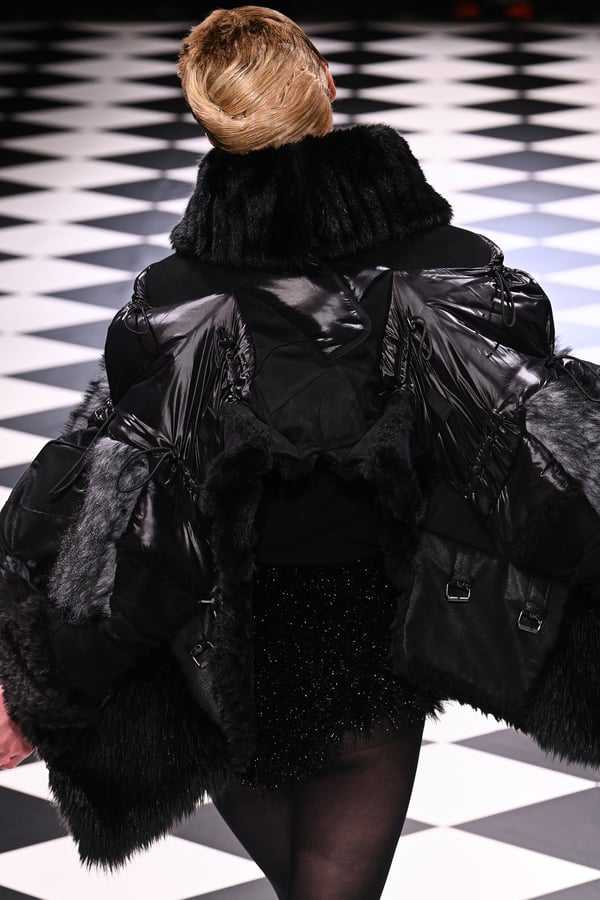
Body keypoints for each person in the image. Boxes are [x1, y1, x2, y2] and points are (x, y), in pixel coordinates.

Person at [1, 6, 600, 898]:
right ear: (326, 86)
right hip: (372, 643)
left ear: (213, 122)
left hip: (223, 649)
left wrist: (36, 679)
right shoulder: (450, 271)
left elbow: (116, 510)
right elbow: (551, 459)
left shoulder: (173, 304)